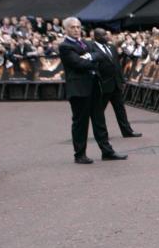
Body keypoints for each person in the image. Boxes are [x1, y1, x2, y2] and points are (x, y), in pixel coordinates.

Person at [58, 17, 126, 164]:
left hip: (95, 87)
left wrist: (89, 56)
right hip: (79, 89)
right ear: (66, 29)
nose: (76, 30)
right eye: (72, 27)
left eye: (78, 27)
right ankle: (80, 154)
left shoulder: (87, 43)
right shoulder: (65, 46)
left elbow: (100, 56)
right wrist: (91, 59)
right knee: (80, 123)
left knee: (99, 121)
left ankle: (107, 151)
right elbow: (78, 63)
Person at [92, 29, 141, 138]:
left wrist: (122, 80)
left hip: (116, 84)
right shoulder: (92, 48)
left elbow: (117, 65)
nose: (107, 36)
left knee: (120, 109)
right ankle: (100, 134)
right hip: (103, 85)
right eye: (104, 35)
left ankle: (127, 131)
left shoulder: (111, 47)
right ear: (97, 37)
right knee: (99, 111)